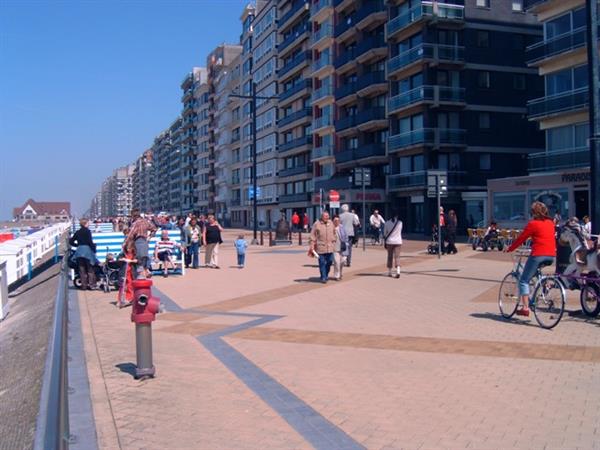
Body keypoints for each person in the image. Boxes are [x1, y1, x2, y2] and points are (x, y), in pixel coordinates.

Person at [507, 201, 556, 317]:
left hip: (538, 254)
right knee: (534, 274)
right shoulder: (550, 223)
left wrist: (510, 248)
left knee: (524, 280)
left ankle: (525, 307)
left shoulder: (533, 224)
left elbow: (521, 238)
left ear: (533, 213)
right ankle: (544, 286)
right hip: (551, 255)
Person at [125, 208, 157, 279]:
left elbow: (130, 235)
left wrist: (125, 243)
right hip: (145, 241)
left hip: (137, 242)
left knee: (138, 260)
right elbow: (154, 229)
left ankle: (142, 276)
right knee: (144, 258)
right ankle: (146, 272)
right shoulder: (146, 221)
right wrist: (149, 237)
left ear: (133, 215)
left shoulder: (135, 223)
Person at [69, 218, 98, 290]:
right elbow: (90, 242)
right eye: (88, 223)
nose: (89, 224)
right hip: (87, 252)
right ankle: (91, 285)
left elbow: (71, 241)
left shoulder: (77, 232)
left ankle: (84, 286)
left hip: (79, 252)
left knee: (82, 270)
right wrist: (94, 250)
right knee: (90, 269)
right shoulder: (88, 231)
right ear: (85, 224)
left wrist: (77, 246)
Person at [309, 211, 337, 283]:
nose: (326, 217)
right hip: (320, 247)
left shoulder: (331, 223)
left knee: (330, 262)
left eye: (327, 216)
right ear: (322, 217)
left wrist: (334, 239)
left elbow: (334, 232)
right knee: (321, 262)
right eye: (325, 216)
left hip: (330, 247)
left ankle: (325, 274)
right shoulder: (317, 224)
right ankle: (323, 277)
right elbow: (312, 235)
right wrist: (312, 245)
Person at [383, 210, 403, 278]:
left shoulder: (387, 223)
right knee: (397, 256)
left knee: (390, 256)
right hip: (398, 241)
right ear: (397, 215)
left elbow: (385, 234)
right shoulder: (400, 223)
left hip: (389, 242)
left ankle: (389, 272)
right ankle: (398, 271)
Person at [332, 216, 349, 281]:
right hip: (335, 248)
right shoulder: (331, 228)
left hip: (343, 247)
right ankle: (337, 275)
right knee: (336, 262)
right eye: (335, 220)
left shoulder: (342, 227)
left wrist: (346, 243)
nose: (336, 222)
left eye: (337, 220)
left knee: (343, 261)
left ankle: (340, 272)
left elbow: (346, 236)